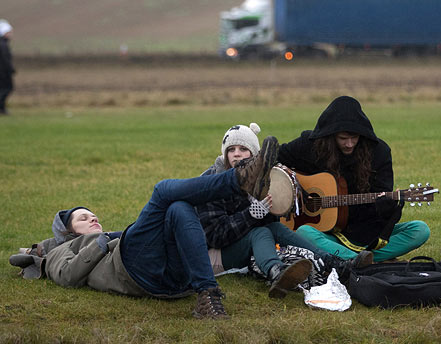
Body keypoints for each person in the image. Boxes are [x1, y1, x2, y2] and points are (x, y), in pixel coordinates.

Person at [9, 136, 280, 320]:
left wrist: (106, 237)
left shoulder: (104, 237)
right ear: (67, 233)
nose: (92, 219)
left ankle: (207, 296)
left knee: (178, 207)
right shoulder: (60, 249)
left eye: (92, 215)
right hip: (128, 270)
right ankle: (239, 179)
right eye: (83, 219)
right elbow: (67, 276)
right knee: (162, 191)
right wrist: (97, 243)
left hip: (172, 280)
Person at [196, 123, 373, 298]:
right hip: (211, 255)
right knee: (260, 232)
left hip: (240, 243)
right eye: (231, 149)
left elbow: (268, 224)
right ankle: (277, 272)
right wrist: (251, 215)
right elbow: (215, 236)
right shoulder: (212, 182)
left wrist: (277, 206)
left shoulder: (258, 180)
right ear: (225, 154)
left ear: (254, 155)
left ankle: (331, 262)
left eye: (243, 148)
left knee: (275, 228)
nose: (236, 153)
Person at [277, 96, 430, 262]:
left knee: (420, 230)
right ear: (330, 135)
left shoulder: (379, 153)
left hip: (364, 232)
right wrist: (291, 183)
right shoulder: (310, 146)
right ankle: (361, 261)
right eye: (343, 138)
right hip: (325, 234)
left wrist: (386, 208)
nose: (349, 144)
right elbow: (275, 157)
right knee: (303, 233)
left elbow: (381, 206)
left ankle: (351, 259)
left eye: (354, 138)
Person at [0, 19, 15, 115]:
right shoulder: (2, 45)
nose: (10, 34)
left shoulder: (3, 44)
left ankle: (2, 108)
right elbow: (5, 60)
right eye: (8, 32)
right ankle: (1, 108)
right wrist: (10, 69)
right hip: (3, 73)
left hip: (3, 72)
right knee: (6, 88)